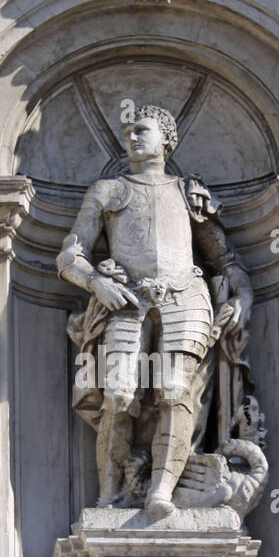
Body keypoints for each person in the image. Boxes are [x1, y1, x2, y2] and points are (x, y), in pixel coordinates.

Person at [57, 103, 253, 518]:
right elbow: (70, 256)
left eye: (141, 130)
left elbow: (226, 260)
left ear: (166, 138)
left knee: (176, 395)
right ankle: (109, 495)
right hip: (126, 300)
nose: (131, 136)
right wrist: (97, 283)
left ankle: (161, 492)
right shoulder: (108, 190)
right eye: (127, 131)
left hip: (186, 297)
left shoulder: (189, 193)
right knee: (117, 396)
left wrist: (243, 296)